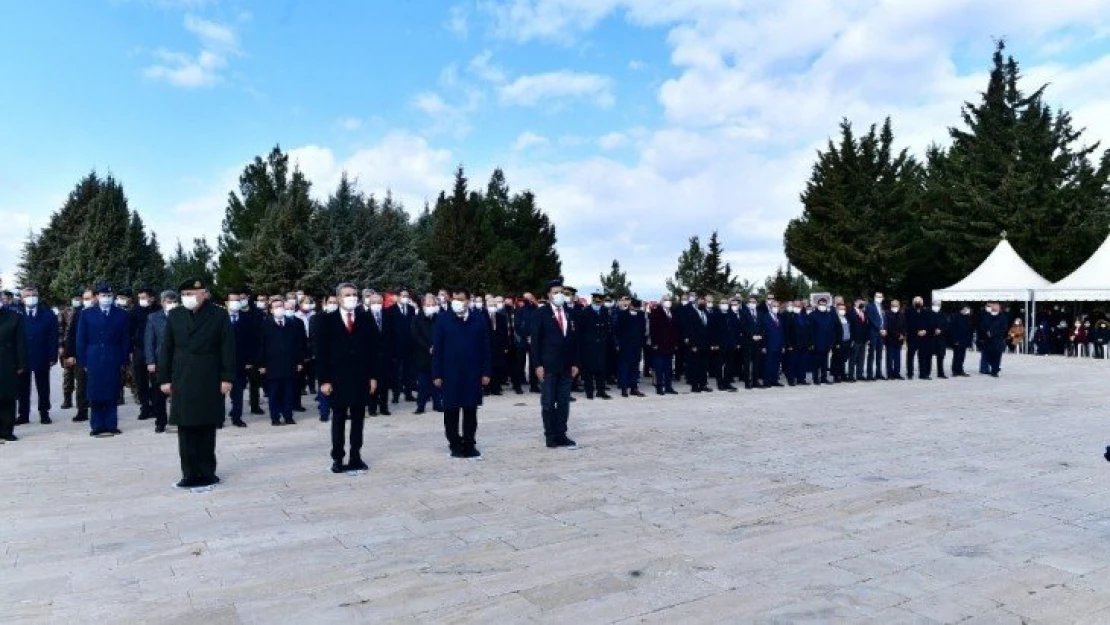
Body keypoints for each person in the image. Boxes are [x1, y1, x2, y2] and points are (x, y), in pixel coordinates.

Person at [158, 279, 235, 489]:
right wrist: (164, 379)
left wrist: (227, 378)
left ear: (204, 294)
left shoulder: (218, 314)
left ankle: (208, 472)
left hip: (209, 376)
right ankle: (189, 473)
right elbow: (166, 348)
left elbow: (227, 348)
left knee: (207, 427)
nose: (188, 297)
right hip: (182, 377)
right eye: (184, 293)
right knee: (186, 428)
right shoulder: (175, 315)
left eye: (192, 292)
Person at [316, 283, 380, 473]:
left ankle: (356, 455)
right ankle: (337, 458)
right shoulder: (326, 321)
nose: (352, 297)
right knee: (339, 418)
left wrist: (373, 376)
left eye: (354, 294)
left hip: (361, 377)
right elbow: (321, 353)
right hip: (337, 379)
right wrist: (324, 380)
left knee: (358, 419)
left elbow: (374, 350)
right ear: (339, 298)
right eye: (347, 295)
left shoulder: (365, 318)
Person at [433, 288, 492, 459]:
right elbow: (437, 348)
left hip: (472, 374)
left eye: (461, 299)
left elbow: (485, 348)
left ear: (468, 301)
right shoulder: (443, 319)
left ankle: (469, 444)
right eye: (454, 298)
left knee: (470, 411)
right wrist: (436, 373)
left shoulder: (478, 319)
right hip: (449, 373)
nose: (457, 301)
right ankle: (455, 444)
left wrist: (486, 371)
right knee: (451, 411)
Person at [530, 279, 580, 449]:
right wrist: (537, 365)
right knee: (548, 402)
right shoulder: (541, 313)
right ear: (548, 295)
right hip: (548, 365)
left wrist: (575, 362)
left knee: (564, 401)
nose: (559, 295)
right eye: (555, 292)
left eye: (561, 292)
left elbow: (573, 340)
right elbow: (535, 342)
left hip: (566, 365)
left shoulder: (569, 312)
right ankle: (550, 435)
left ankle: (561, 433)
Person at [76, 283, 130, 437]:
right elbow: (81, 339)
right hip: (93, 355)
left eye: (109, 296)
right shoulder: (87, 314)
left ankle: (111, 424)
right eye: (103, 295)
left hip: (113, 355)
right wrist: (83, 360)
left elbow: (125, 339)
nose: (106, 298)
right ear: (97, 297)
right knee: (95, 391)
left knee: (112, 391)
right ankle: (97, 425)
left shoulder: (121, 314)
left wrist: (123, 358)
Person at [257, 297, 304, 426]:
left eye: (281, 306)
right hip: (272, 365)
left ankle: (288, 416)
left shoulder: (291, 323)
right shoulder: (265, 324)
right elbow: (261, 345)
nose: (279, 309)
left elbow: (297, 344)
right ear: (271, 310)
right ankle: (275, 417)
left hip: (289, 364)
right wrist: (262, 364)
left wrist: (299, 361)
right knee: (274, 393)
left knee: (288, 392)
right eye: (276, 307)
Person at [16, 286, 58, 425]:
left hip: (42, 355)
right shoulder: (17, 315)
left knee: (43, 386)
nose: (31, 297)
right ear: (22, 299)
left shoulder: (48, 314)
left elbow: (53, 337)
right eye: (27, 295)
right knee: (23, 387)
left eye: (33, 294)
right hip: (23, 357)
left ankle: (44, 413)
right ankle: (23, 414)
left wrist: (53, 356)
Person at [144, 290, 177, 433]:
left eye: (174, 302)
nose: (172, 305)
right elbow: (149, 341)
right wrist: (150, 361)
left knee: (179, 392)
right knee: (158, 394)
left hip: (178, 360)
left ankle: (178, 419)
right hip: (159, 361)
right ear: (162, 302)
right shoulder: (153, 318)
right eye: (169, 302)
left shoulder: (182, 316)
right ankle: (160, 421)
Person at [0, 303, 28, 442]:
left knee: (7, 396)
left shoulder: (14, 316)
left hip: (7, 361)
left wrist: (21, 363)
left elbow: (20, 341)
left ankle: (6, 430)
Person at [130, 287, 159, 422]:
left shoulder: (158, 310)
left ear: (151, 298)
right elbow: (129, 331)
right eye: (140, 297)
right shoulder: (135, 311)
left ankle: (155, 406)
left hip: (155, 349)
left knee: (155, 380)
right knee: (140, 380)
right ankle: (144, 406)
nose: (141, 300)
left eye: (144, 297)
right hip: (139, 349)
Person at [225, 292, 253, 428]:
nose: (236, 302)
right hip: (223, 362)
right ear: (227, 302)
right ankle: (219, 419)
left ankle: (237, 417)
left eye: (238, 300)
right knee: (220, 392)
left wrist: (249, 360)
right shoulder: (220, 318)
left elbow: (251, 341)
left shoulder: (246, 318)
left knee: (238, 393)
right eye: (233, 300)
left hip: (240, 362)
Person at [578, 293, 612, 400]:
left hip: (601, 344)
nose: (598, 304)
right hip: (589, 345)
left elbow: (607, 327)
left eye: (599, 302)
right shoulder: (585, 312)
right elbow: (581, 329)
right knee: (588, 370)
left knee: (601, 369)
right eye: (595, 302)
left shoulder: (604, 311)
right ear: (592, 301)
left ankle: (601, 391)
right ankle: (589, 391)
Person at [365, 292, 394, 416]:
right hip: (371, 355)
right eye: (374, 303)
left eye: (379, 303)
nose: (376, 305)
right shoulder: (364, 317)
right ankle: (372, 408)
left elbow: (392, 335)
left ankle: (384, 407)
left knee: (385, 382)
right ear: (369, 303)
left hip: (386, 355)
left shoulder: (388, 315)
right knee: (372, 382)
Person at [412, 294, 442, 414]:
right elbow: (415, 335)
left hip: (437, 354)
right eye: (428, 305)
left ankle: (437, 404)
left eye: (432, 304)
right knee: (423, 382)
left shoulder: (440, 318)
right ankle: (420, 406)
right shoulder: (417, 318)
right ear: (423, 305)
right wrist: (428, 347)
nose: (430, 306)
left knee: (438, 381)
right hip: (422, 354)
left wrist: (437, 347)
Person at [614, 297, 647, 397]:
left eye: (638, 307)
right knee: (624, 367)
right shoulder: (623, 314)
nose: (636, 309)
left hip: (636, 346)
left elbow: (643, 331)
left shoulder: (641, 315)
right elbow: (617, 330)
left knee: (635, 368)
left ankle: (634, 388)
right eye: (635, 307)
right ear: (630, 305)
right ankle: (624, 388)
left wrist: (642, 345)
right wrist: (618, 344)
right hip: (625, 346)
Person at [648, 294, 680, 395]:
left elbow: (675, 329)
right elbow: (653, 329)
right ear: (662, 301)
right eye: (666, 300)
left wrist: (675, 343)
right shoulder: (656, 311)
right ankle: (659, 387)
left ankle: (668, 386)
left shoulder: (673, 312)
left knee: (668, 368)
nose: (668, 302)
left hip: (670, 345)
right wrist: (655, 343)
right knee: (659, 368)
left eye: (669, 300)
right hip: (659, 344)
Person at [59, 293, 80, 410]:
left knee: (81, 375)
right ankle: (67, 399)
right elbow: (60, 329)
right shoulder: (65, 312)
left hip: (80, 347)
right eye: (75, 298)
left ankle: (82, 399)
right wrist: (61, 345)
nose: (77, 300)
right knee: (68, 374)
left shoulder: (84, 310)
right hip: (67, 347)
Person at [905, 297, 934, 380]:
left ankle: (923, 374)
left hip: (924, 337)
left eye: (919, 301)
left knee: (923, 356)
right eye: (916, 301)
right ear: (913, 302)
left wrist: (925, 331)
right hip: (912, 337)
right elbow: (907, 324)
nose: (917, 302)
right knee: (910, 356)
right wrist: (916, 331)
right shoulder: (908, 312)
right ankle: (910, 374)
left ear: (922, 302)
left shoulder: (927, 312)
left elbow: (930, 323)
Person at [809, 297, 836, 385]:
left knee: (825, 362)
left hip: (827, 342)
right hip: (817, 342)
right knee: (816, 362)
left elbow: (832, 329)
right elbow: (811, 330)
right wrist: (812, 343)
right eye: (821, 304)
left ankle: (824, 378)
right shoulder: (813, 315)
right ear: (817, 305)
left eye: (824, 304)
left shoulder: (829, 315)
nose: (822, 306)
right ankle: (816, 378)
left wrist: (832, 342)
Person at [979, 301, 1008, 377]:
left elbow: (1003, 329)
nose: (995, 307)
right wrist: (986, 332)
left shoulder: (1003, 317)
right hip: (988, 340)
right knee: (988, 355)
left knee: (997, 356)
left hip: (998, 340)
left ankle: (994, 371)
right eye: (994, 306)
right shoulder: (987, 316)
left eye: (997, 306)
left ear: (999, 307)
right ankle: (993, 367)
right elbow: (983, 326)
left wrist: (993, 333)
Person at [761, 297, 785, 387]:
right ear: (770, 307)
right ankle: (766, 381)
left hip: (778, 345)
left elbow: (782, 332)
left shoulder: (779, 317)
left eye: (777, 306)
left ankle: (774, 380)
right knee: (768, 363)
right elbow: (763, 333)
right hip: (769, 345)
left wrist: (783, 345)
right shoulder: (765, 317)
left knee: (776, 363)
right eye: (774, 306)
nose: (776, 308)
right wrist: (763, 346)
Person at [865, 292, 886, 380]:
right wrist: (880, 329)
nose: (879, 298)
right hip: (873, 333)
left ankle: (878, 373)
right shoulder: (870, 306)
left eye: (880, 296)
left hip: (881, 334)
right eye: (877, 296)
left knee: (879, 354)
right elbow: (871, 319)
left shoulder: (881, 307)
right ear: (874, 297)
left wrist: (884, 328)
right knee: (871, 354)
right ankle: (869, 374)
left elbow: (883, 318)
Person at [884, 300, 906, 380]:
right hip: (890, 339)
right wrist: (898, 335)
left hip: (899, 340)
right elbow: (889, 327)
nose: (895, 307)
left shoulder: (902, 315)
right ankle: (889, 374)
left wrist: (903, 335)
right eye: (893, 305)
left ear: (899, 306)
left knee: (897, 357)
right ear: (890, 306)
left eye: (896, 305)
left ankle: (897, 373)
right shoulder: (887, 314)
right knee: (889, 357)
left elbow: (904, 326)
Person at [949, 305, 972, 377]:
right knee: (956, 356)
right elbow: (952, 329)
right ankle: (954, 370)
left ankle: (960, 370)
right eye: (966, 309)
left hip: (964, 340)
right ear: (961, 309)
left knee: (962, 356)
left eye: (968, 309)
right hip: (957, 340)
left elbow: (969, 330)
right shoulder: (955, 316)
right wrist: (955, 340)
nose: (967, 310)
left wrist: (969, 342)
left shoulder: (967, 317)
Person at [932, 300, 950, 378]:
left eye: (938, 304)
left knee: (941, 356)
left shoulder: (944, 314)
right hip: (931, 337)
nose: (937, 306)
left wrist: (941, 330)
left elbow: (947, 325)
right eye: (935, 304)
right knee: (928, 356)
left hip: (941, 338)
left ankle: (940, 373)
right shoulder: (929, 314)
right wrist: (933, 330)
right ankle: (925, 372)